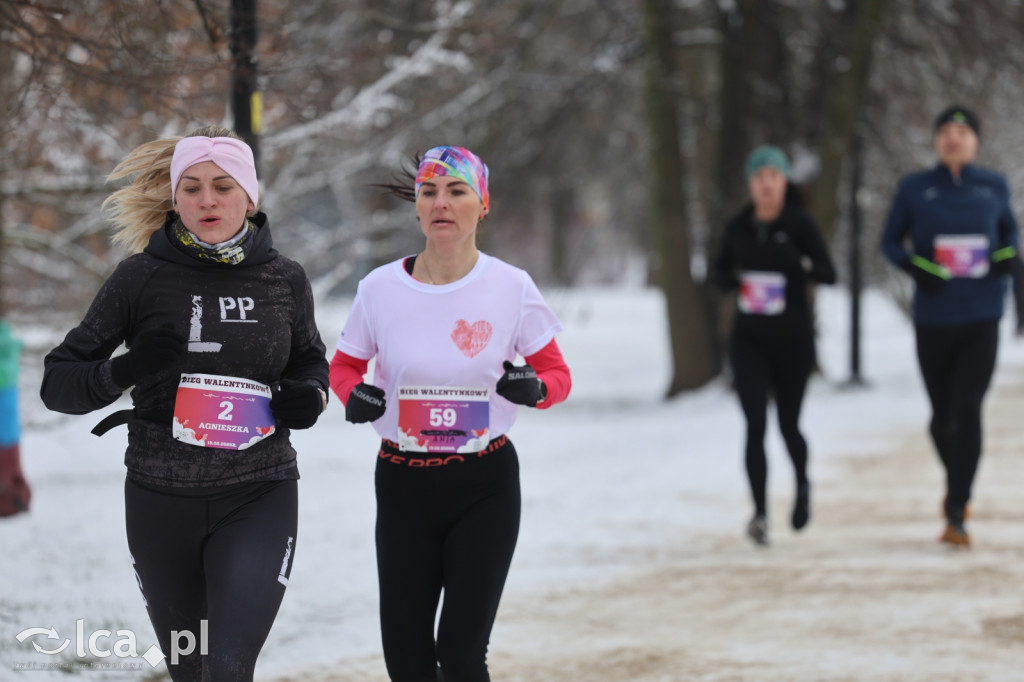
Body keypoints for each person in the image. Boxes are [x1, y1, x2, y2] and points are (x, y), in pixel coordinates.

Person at [40, 126, 329, 680]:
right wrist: (126, 368)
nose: (207, 200)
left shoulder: (284, 279)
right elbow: (59, 383)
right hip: (158, 500)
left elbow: (310, 362)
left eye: (223, 186)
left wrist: (309, 398)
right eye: (192, 187)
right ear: (174, 197)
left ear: (250, 196)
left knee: (226, 666)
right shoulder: (140, 278)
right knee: (189, 669)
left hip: (258, 492)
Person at [330, 145, 571, 682]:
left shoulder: (511, 287)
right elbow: (343, 367)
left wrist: (536, 388)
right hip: (402, 484)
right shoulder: (379, 289)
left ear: (482, 203)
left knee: (461, 657)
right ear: (416, 206)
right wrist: (354, 395)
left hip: (483, 484)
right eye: (429, 192)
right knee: (408, 664)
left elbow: (559, 376)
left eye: (457, 191)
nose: (441, 203)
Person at [881, 105, 1018, 548]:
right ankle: (956, 481)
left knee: (967, 409)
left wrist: (1005, 257)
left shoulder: (993, 187)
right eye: (946, 131)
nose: (954, 138)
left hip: (982, 316)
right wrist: (917, 268)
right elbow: (889, 242)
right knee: (941, 420)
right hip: (934, 319)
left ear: (975, 141)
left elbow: (1011, 237)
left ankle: (957, 509)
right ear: (936, 141)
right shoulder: (916, 189)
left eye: (962, 131)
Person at [712, 145, 837, 547]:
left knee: (787, 424)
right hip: (749, 340)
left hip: (793, 342)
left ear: (785, 182)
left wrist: (798, 266)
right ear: (750, 184)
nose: (766, 184)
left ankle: (802, 484)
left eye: (774, 177)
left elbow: (829, 272)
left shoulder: (800, 224)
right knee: (754, 425)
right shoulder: (739, 227)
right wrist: (734, 281)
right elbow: (718, 272)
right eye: (759, 177)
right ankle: (760, 513)